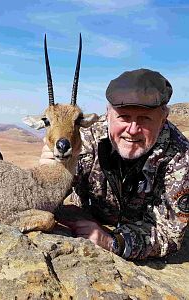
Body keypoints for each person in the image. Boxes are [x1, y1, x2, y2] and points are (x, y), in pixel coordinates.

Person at [41, 68, 189, 260]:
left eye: (145, 119)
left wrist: (113, 241)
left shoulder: (181, 159)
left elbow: (169, 234)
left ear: (163, 119)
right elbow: (53, 198)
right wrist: (49, 177)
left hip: (136, 234)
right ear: (108, 114)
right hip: (84, 219)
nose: (133, 130)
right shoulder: (83, 139)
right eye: (124, 117)